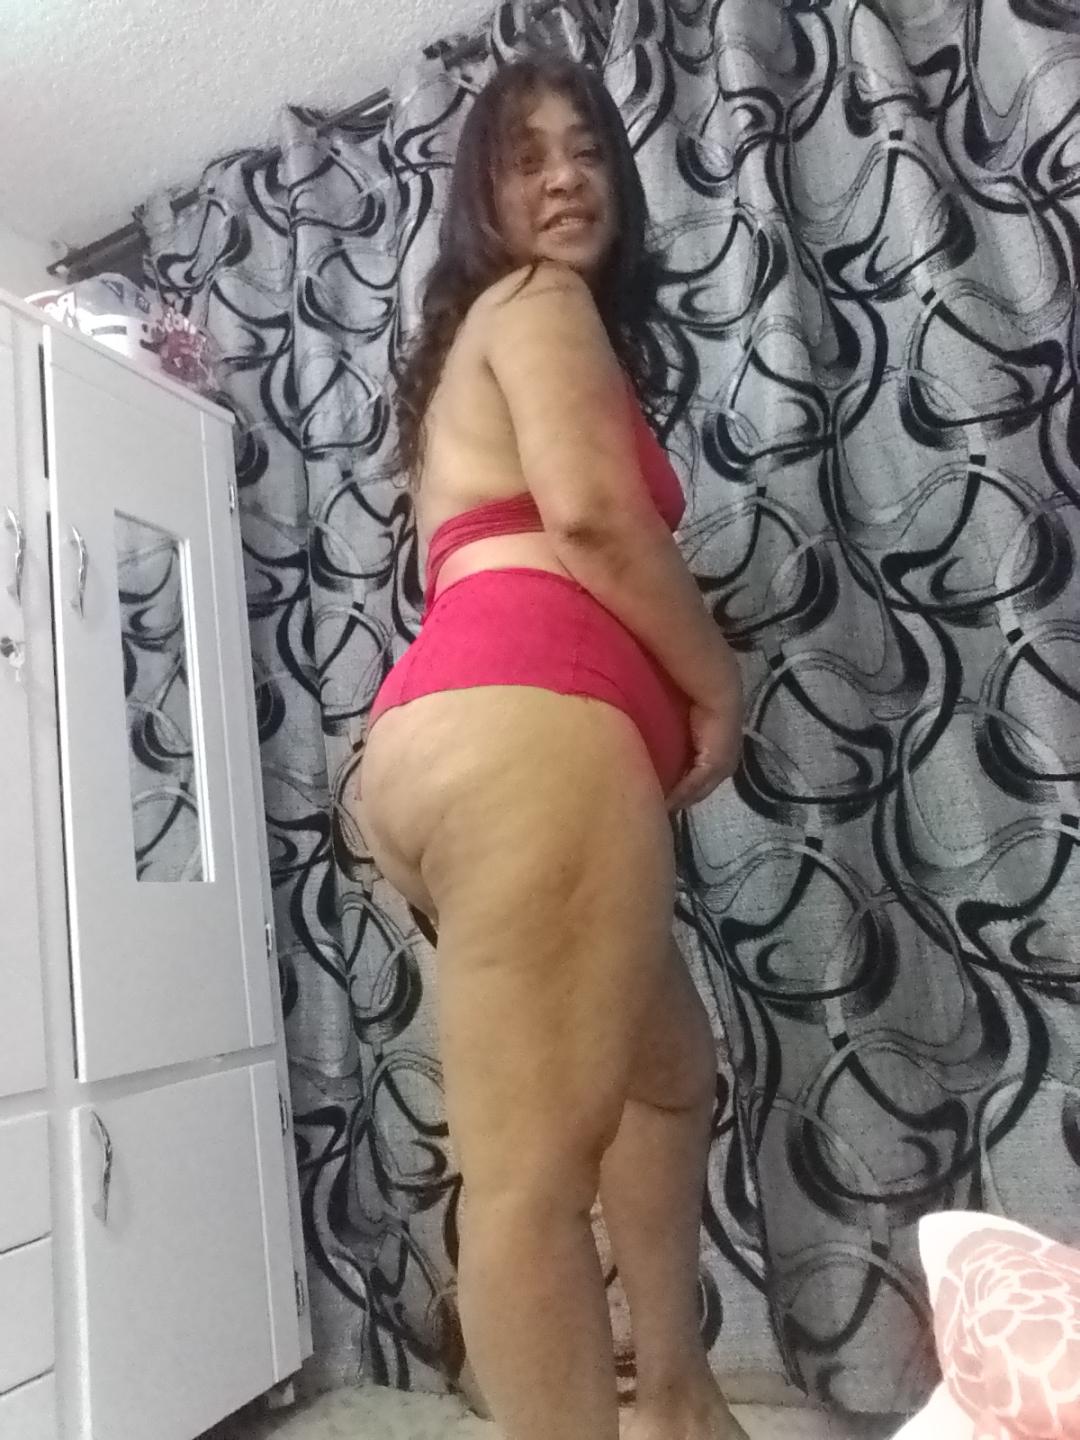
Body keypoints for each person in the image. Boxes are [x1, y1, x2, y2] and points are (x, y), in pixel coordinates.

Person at [353, 53, 745, 1440]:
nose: (568, 177)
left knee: (668, 1074)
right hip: (535, 731)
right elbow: (590, 516)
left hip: (447, 737)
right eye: (527, 158)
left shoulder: (478, 341)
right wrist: (719, 688)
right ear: (482, 196)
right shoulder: (537, 300)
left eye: (588, 151)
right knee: (529, 1182)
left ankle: (679, 1400)